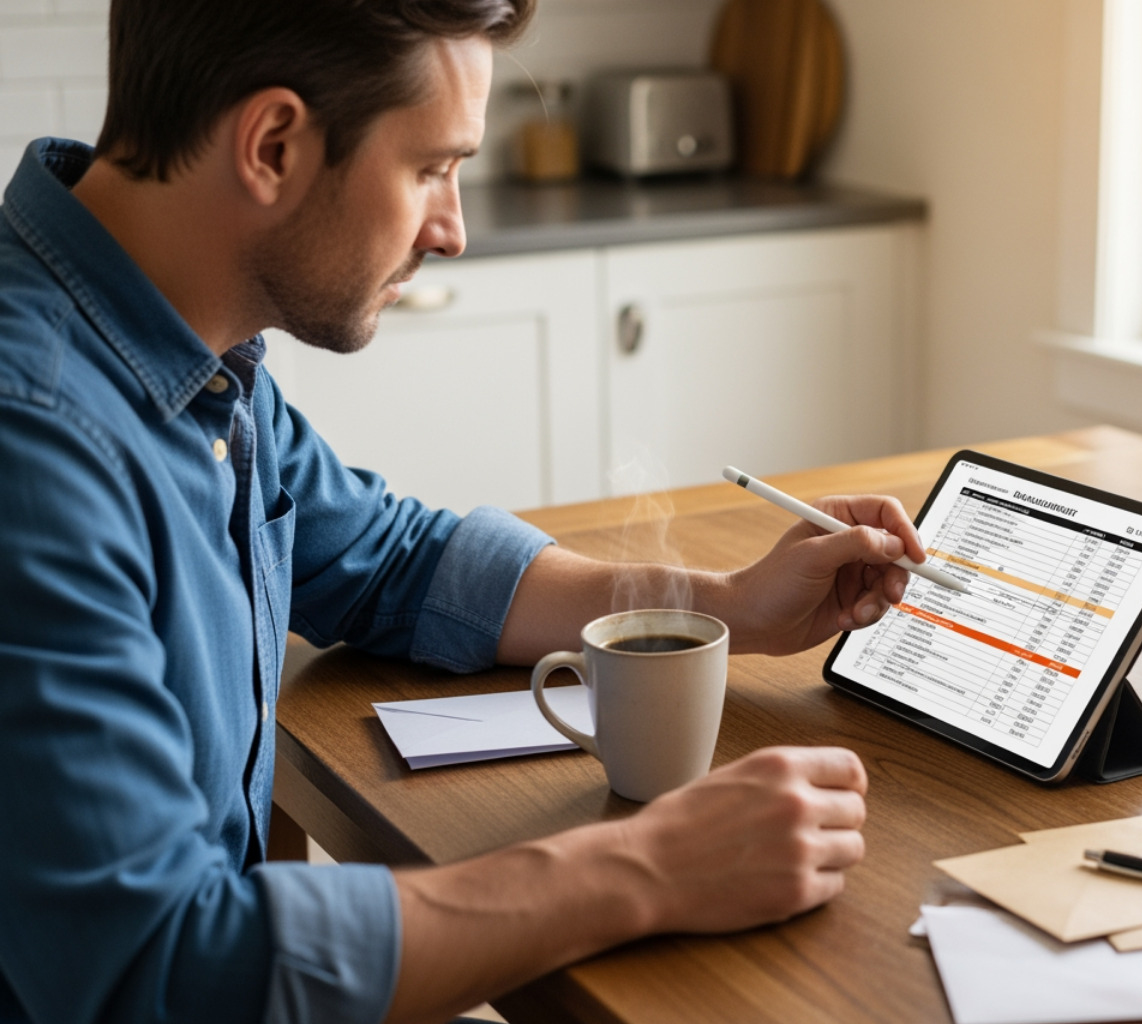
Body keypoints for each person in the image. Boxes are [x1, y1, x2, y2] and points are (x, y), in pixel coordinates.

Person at [0, 2, 930, 1022]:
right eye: (432, 169)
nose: (453, 229)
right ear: (273, 145)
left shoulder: (184, 353)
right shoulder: (38, 450)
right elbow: (162, 971)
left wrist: (727, 606)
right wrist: (648, 865)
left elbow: (397, 561)